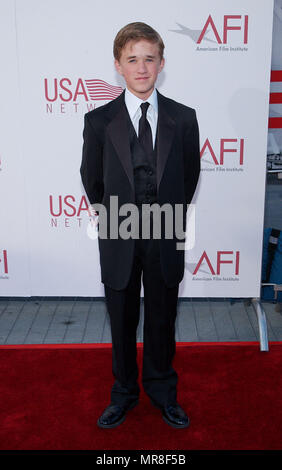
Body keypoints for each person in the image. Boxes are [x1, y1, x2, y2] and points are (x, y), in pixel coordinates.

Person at [80, 22, 200, 429]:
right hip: (119, 234)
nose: (142, 67)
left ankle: (164, 392)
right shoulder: (98, 121)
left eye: (149, 58)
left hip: (165, 233)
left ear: (161, 63)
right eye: (132, 59)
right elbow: (91, 178)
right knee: (122, 320)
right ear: (118, 65)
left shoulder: (184, 119)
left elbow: (190, 175)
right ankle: (124, 393)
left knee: (163, 319)